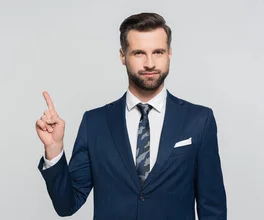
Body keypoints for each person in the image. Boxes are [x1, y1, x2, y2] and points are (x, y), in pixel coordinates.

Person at [35, 12, 227, 219]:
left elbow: (213, 209)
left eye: (158, 52)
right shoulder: (95, 123)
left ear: (169, 53)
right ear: (122, 56)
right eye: (139, 53)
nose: (150, 63)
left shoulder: (199, 120)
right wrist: (54, 150)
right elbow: (66, 205)